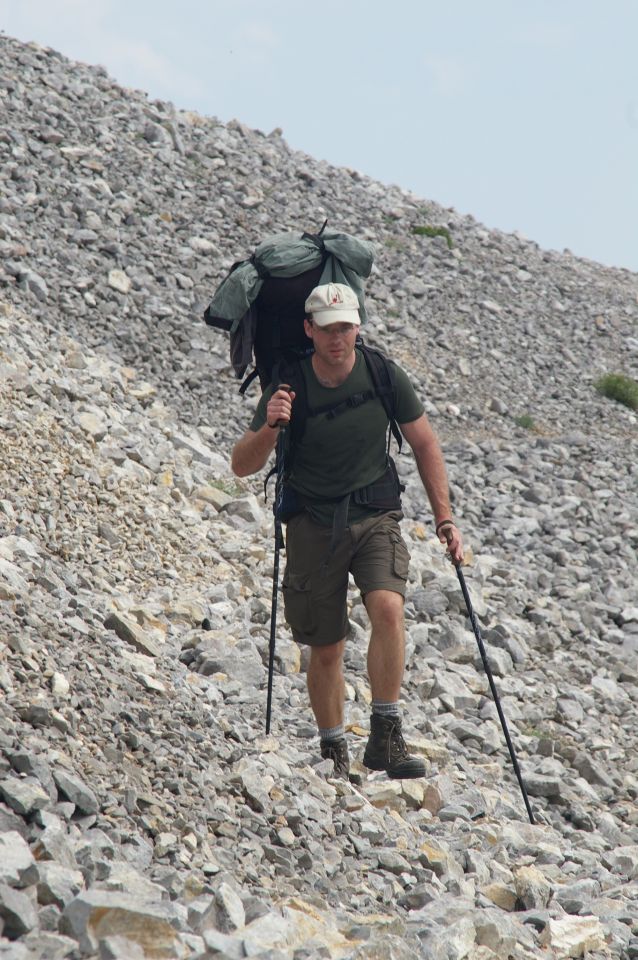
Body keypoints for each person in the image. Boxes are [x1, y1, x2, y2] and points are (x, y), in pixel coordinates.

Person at [232, 282, 463, 779]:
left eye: (346, 327)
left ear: (357, 327)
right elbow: (241, 466)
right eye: (328, 329)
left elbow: (425, 444)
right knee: (328, 645)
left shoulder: (382, 374)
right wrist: (272, 426)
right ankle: (334, 749)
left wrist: (444, 517)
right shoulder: (287, 385)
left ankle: (385, 736)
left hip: (374, 512)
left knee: (388, 606)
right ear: (309, 330)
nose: (338, 338)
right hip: (312, 522)